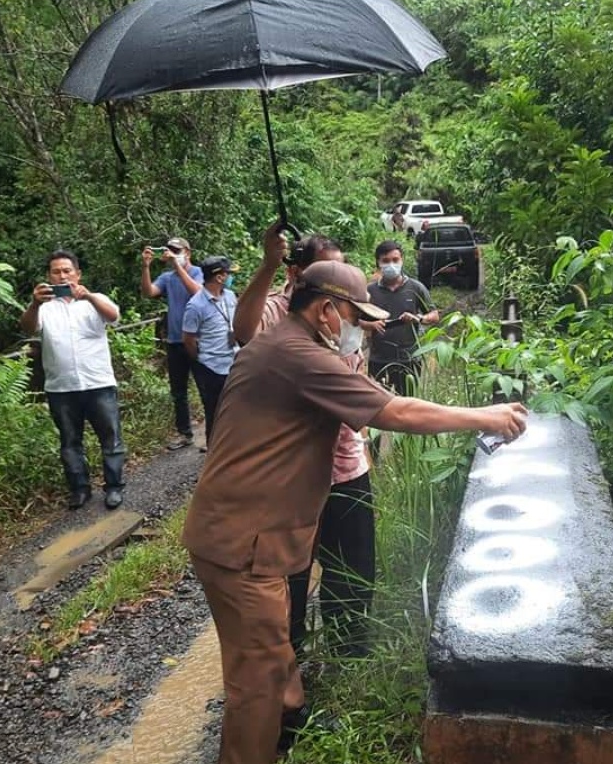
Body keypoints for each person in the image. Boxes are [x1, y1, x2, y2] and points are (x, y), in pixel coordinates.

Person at [182, 234, 528, 764]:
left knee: (274, 649)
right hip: (242, 543)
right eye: (353, 314)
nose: (361, 325)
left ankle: (292, 713)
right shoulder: (300, 355)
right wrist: (487, 417)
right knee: (254, 686)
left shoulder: (276, 348)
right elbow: (398, 413)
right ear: (325, 311)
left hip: (237, 533)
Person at [233, 233, 375, 660]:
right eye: (328, 276)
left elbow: (360, 382)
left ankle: (349, 656)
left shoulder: (348, 317)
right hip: (291, 478)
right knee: (289, 574)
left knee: (353, 569)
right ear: (298, 276)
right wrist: (267, 264)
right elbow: (243, 331)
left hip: (346, 465)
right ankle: (287, 668)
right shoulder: (278, 314)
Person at [19, 250, 126, 510]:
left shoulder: (95, 299)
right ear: (49, 277)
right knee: (69, 442)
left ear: (77, 274)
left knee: (110, 439)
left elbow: (113, 317)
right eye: (56, 271)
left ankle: (113, 487)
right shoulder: (43, 307)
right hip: (61, 387)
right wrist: (34, 303)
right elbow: (27, 328)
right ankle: (79, 490)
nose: (62, 275)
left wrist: (87, 295)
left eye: (67, 270)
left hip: (98, 383)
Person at [141, 237, 203, 450]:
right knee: (178, 391)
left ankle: (215, 435)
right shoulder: (167, 278)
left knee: (207, 387)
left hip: (198, 340)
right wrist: (146, 266)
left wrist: (178, 265)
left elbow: (198, 293)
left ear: (188, 252)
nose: (173, 253)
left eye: (177, 250)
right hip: (175, 341)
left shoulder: (198, 273)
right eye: (170, 250)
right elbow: (149, 292)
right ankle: (185, 433)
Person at [363, 239, 440, 396]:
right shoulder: (369, 291)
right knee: (379, 405)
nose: (391, 264)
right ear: (378, 263)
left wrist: (418, 318)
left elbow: (434, 315)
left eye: (395, 260)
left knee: (407, 404)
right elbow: (353, 319)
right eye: (385, 261)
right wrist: (370, 325)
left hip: (409, 359)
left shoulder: (416, 287)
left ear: (402, 260)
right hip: (379, 359)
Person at [181, 255, 240, 448]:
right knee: (214, 415)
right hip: (211, 367)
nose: (231, 277)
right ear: (219, 277)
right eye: (228, 274)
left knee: (236, 412)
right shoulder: (195, 305)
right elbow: (188, 339)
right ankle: (214, 460)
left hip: (234, 362)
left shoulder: (230, 296)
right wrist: (200, 359)